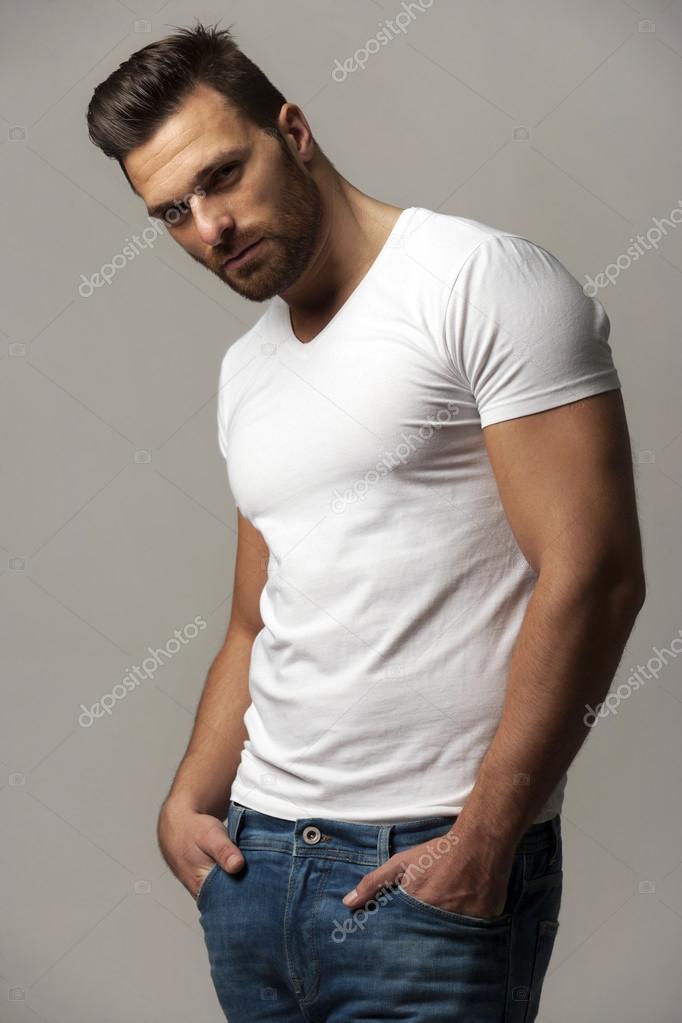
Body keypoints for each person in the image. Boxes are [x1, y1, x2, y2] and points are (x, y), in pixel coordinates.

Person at [87, 21, 646, 1022]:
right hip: (256, 867)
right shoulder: (245, 370)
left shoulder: (479, 280)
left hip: (421, 863)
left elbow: (594, 574)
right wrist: (187, 804)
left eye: (222, 176)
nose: (208, 228)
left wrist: (487, 838)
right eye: (171, 211)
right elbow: (256, 619)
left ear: (293, 131)